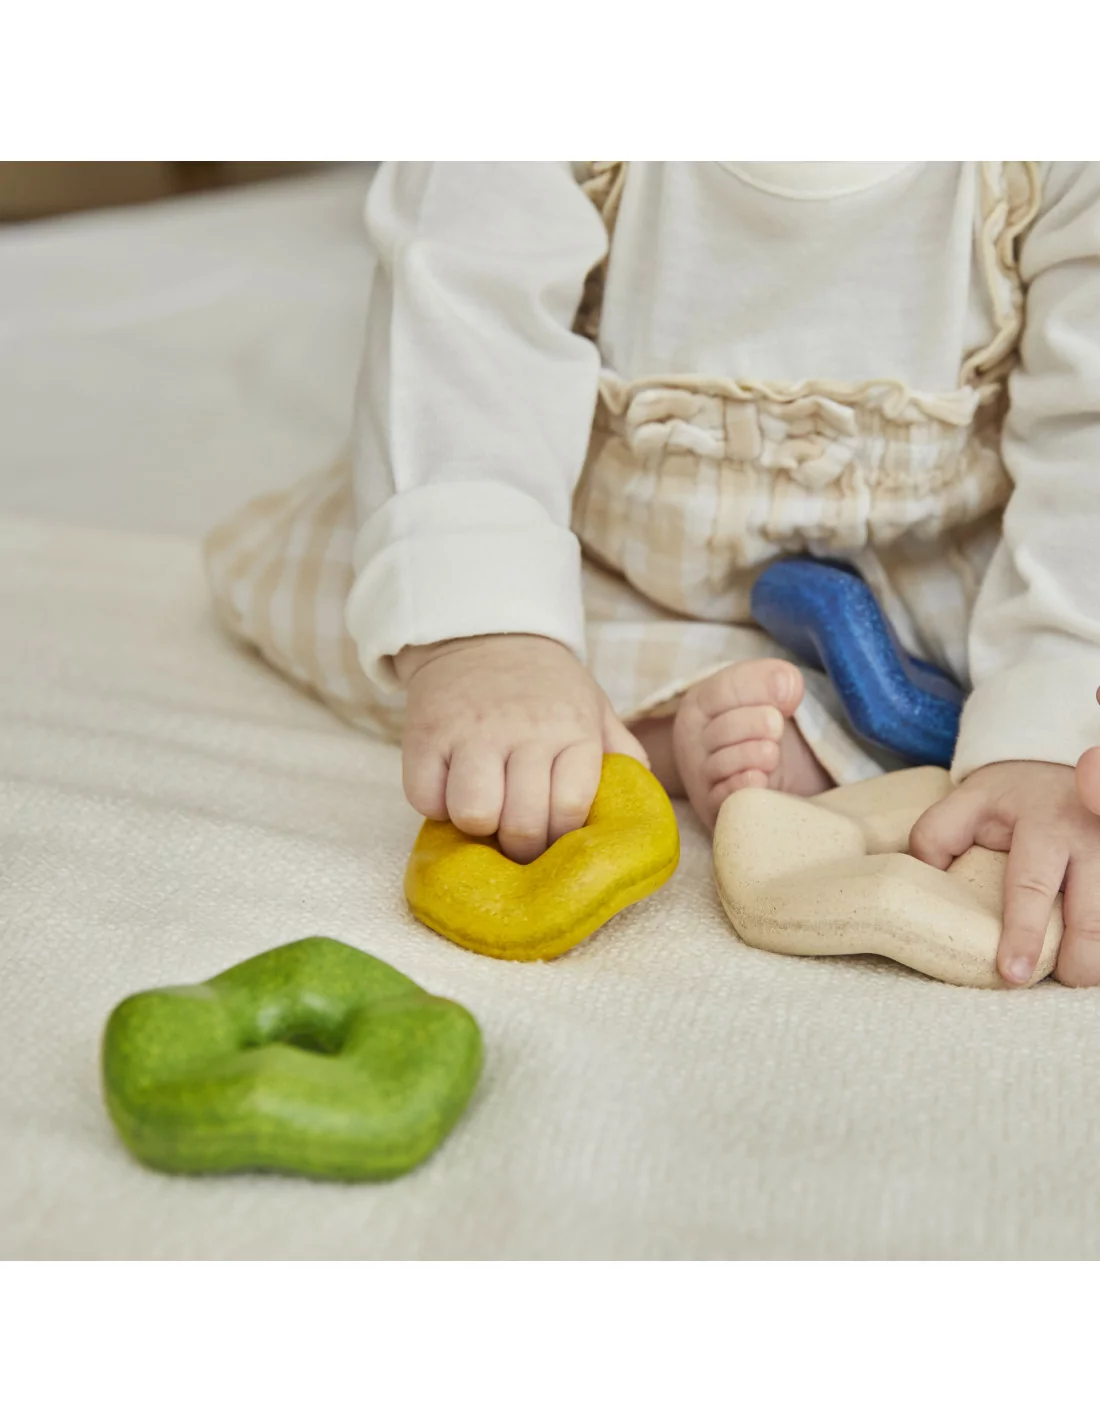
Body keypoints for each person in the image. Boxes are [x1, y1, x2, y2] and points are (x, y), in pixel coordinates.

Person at [206, 163, 1100, 988]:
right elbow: (463, 317)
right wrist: (490, 640)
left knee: (1001, 695)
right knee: (414, 595)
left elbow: (1086, 443)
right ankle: (664, 724)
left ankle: (780, 718)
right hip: (599, 550)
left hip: (936, 566)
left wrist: (1048, 733)